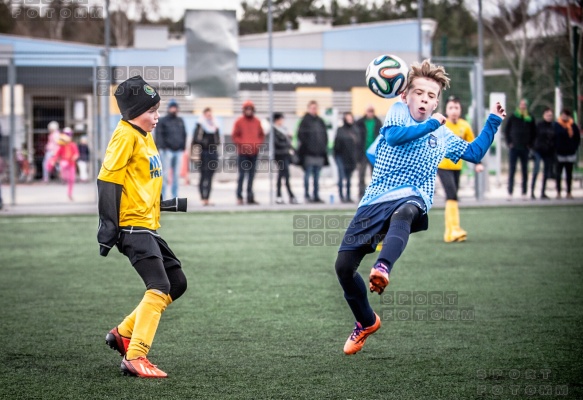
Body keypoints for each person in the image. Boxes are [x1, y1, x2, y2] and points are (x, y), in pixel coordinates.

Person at [334, 59, 506, 355]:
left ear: (437, 101)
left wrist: (492, 122)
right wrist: (430, 125)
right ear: (404, 95)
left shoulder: (441, 133)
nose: (425, 100)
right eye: (419, 93)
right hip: (376, 199)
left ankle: (383, 266)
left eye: (431, 96)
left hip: (414, 195)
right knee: (343, 268)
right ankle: (366, 321)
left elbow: (475, 153)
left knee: (406, 211)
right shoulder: (398, 113)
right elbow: (395, 138)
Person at [97, 75, 188, 378]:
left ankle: (123, 333)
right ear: (134, 111)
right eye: (151, 111)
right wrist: (109, 228)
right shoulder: (125, 135)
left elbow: (142, 181)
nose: (157, 117)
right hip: (132, 228)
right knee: (159, 286)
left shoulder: (144, 135)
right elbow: (108, 181)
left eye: (157, 110)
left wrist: (165, 203)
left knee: (176, 282)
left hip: (147, 226)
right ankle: (135, 355)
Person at [437, 96, 480, 243]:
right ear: (446, 110)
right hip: (442, 166)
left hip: (457, 166)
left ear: (460, 110)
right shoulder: (441, 125)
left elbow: (472, 145)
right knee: (452, 194)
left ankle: (449, 232)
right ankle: (454, 230)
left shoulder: (465, 125)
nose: (454, 111)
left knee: (453, 196)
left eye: (456, 108)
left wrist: (478, 163)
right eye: (450, 108)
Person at [232, 100, 265, 205]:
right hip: (243, 153)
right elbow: (235, 136)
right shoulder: (239, 122)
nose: (248, 111)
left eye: (250, 109)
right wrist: (243, 146)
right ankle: (239, 196)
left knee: (251, 176)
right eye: (247, 109)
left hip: (254, 153)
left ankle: (250, 197)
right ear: (244, 110)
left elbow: (261, 135)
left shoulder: (257, 122)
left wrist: (257, 145)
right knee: (242, 175)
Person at [504, 98, 536, 200]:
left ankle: (524, 192)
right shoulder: (513, 116)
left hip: (525, 148)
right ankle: (510, 192)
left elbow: (534, 132)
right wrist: (509, 143)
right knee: (512, 170)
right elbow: (506, 131)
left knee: (525, 171)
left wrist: (530, 144)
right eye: (521, 105)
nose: (523, 106)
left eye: (524, 105)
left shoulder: (530, 117)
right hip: (514, 148)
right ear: (519, 105)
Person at [155, 99, 187, 199]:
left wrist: (183, 146)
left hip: (178, 151)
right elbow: (159, 135)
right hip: (167, 151)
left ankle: (175, 196)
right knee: (164, 174)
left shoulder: (180, 121)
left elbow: (184, 134)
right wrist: (162, 147)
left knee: (176, 175)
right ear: (169, 108)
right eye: (172, 107)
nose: (174, 109)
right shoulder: (163, 121)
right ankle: (163, 196)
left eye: (175, 107)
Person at [298, 100, 329, 203]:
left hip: (319, 153)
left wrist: (323, 148)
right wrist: (308, 148)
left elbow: (325, 136)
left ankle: (316, 195)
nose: (314, 109)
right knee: (307, 175)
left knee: (316, 177)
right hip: (308, 154)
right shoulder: (305, 121)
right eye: (312, 108)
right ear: (308, 108)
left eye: (315, 108)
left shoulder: (320, 121)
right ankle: (307, 195)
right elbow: (301, 136)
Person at [192, 107, 221, 206]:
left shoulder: (215, 125)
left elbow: (218, 140)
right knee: (203, 175)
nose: (209, 116)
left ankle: (207, 198)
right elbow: (196, 139)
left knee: (210, 176)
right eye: (207, 114)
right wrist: (204, 143)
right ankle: (202, 197)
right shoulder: (200, 124)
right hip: (203, 153)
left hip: (213, 152)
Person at [355, 106, 383, 197]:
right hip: (362, 152)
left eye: (372, 111)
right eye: (369, 111)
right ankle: (361, 193)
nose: (370, 113)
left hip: (373, 153)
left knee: (374, 174)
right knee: (361, 174)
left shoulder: (378, 122)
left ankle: (374, 192)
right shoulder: (360, 123)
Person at [334, 112, 360, 203]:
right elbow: (337, 144)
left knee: (349, 178)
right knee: (341, 177)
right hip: (341, 156)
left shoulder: (355, 130)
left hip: (351, 158)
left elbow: (358, 145)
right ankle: (341, 196)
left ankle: (348, 196)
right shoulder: (340, 130)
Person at [554, 108, 581, 199]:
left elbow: (577, 138)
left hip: (570, 153)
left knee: (569, 174)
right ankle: (558, 192)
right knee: (558, 173)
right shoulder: (557, 125)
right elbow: (554, 137)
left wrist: (574, 147)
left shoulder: (573, 126)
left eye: (566, 115)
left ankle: (569, 192)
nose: (564, 116)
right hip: (560, 153)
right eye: (563, 114)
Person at [530, 108, 556, 199]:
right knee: (536, 170)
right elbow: (533, 136)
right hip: (538, 150)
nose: (549, 117)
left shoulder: (553, 126)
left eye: (550, 116)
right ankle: (532, 192)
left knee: (546, 172)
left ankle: (543, 192)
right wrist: (533, 148)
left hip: (548, 152)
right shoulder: (539, 125)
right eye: (548, 115)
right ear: (544, 115)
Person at [272, 112, 297, 204]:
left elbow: (289, 142)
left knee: (285, 175)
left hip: (286, 155)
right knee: (282, 175)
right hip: (279, 155)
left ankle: (286, 195)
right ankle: (284, 195)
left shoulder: (284, 129)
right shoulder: (274, 130)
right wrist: (287, 144)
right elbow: (276, 143)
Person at [49, 128, 79, 201]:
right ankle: (62, 176)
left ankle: (69, 194)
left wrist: (74, 157)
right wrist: (53, 160)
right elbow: (57, 155)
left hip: (71, 164)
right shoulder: (61, 146)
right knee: (64, 171)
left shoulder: (73, 145)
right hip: (64, 163)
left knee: (72, 179)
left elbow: (76, 154)